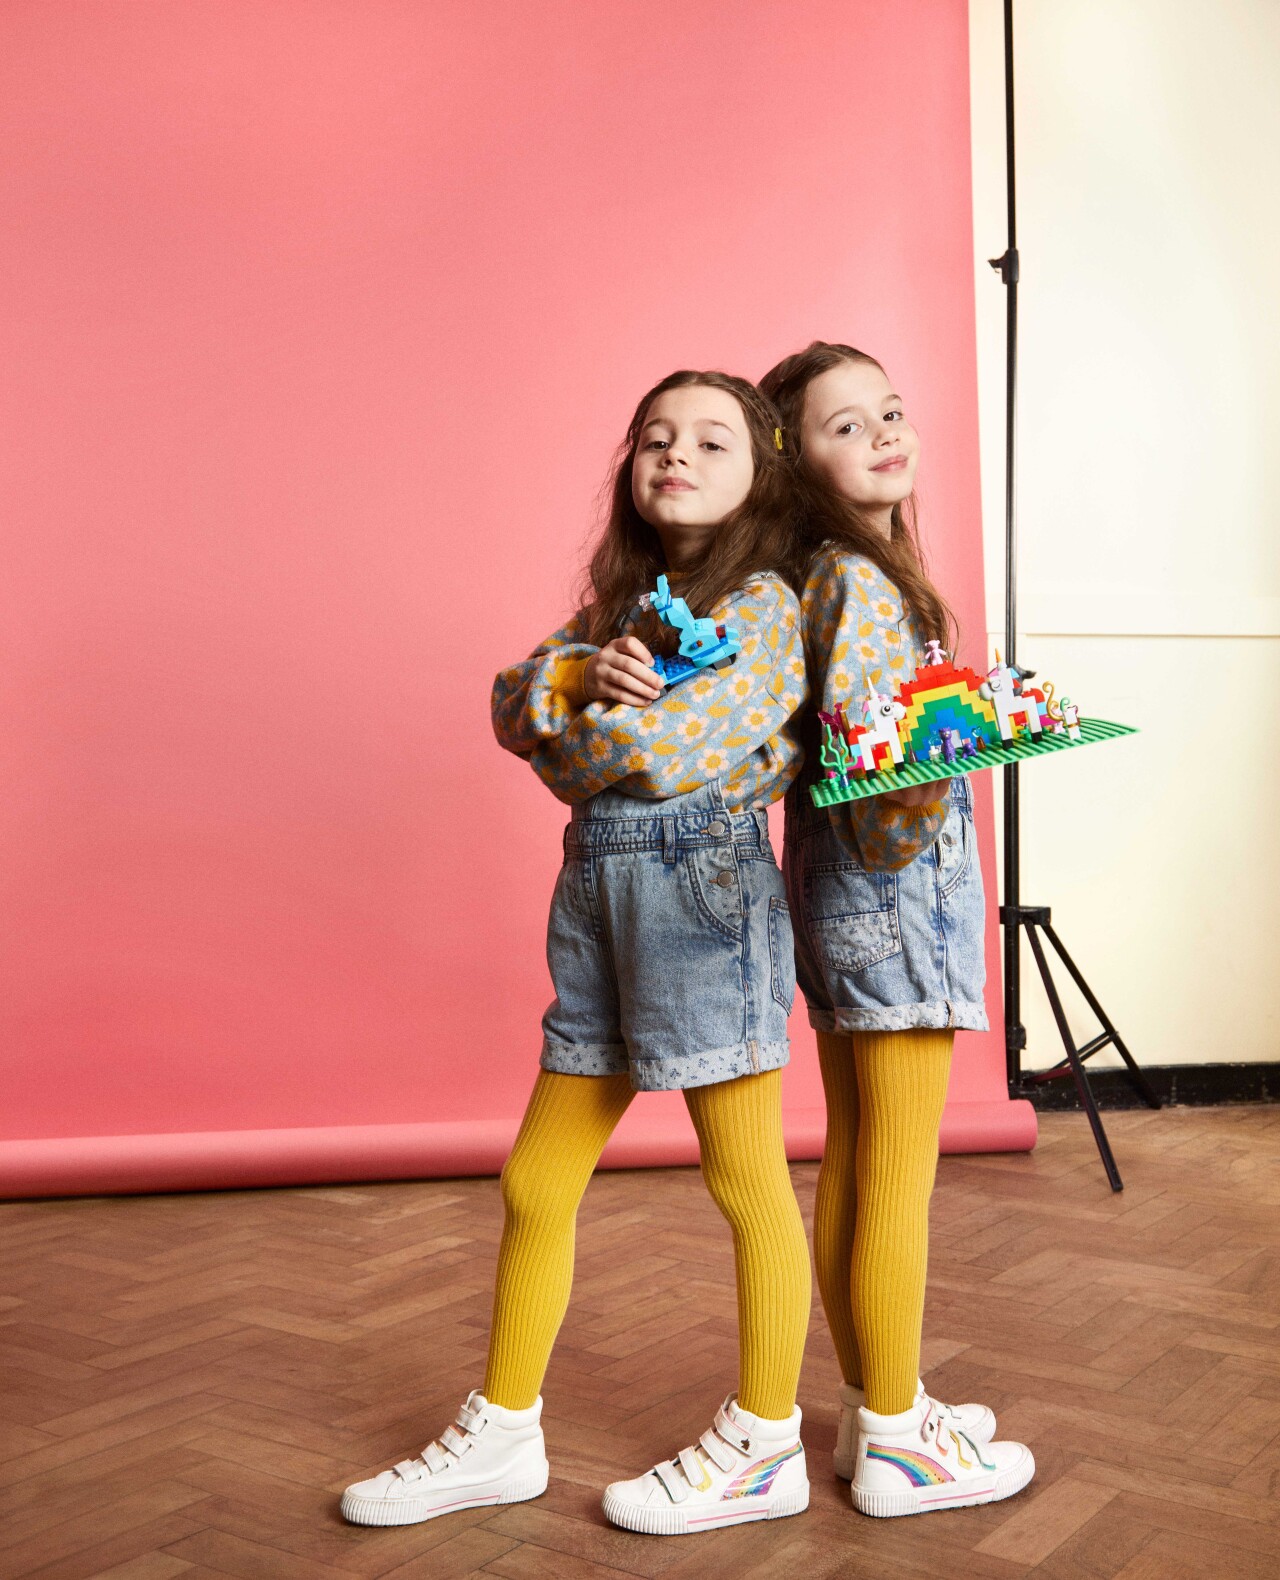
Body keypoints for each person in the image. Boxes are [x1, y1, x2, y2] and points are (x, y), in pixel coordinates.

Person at [341, 371, 813, 1536]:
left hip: (703, 907)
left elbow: (660, 753)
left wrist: (567, 742)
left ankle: (766, 1441)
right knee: (535, 1179)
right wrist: (573, 676)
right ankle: (503, 1430)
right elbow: (508, 700)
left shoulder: (761, 606)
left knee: (744, 1178)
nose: (675, 454)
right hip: (598, 914)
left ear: (761, 471)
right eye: (655, 437)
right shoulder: (619, 607)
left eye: (709, 440)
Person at [760, 341, 1035, 1517]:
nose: (881, 431)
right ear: (794, 463)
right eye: (843, 424)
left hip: (836, 906)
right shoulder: (863, 583)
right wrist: (970, 730)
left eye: (888, 409)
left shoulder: (823, 575)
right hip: (893, 901)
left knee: (855, 1161)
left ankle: (878, 1402)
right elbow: (880, 785)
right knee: (895, 1176)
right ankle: (896, 1441)